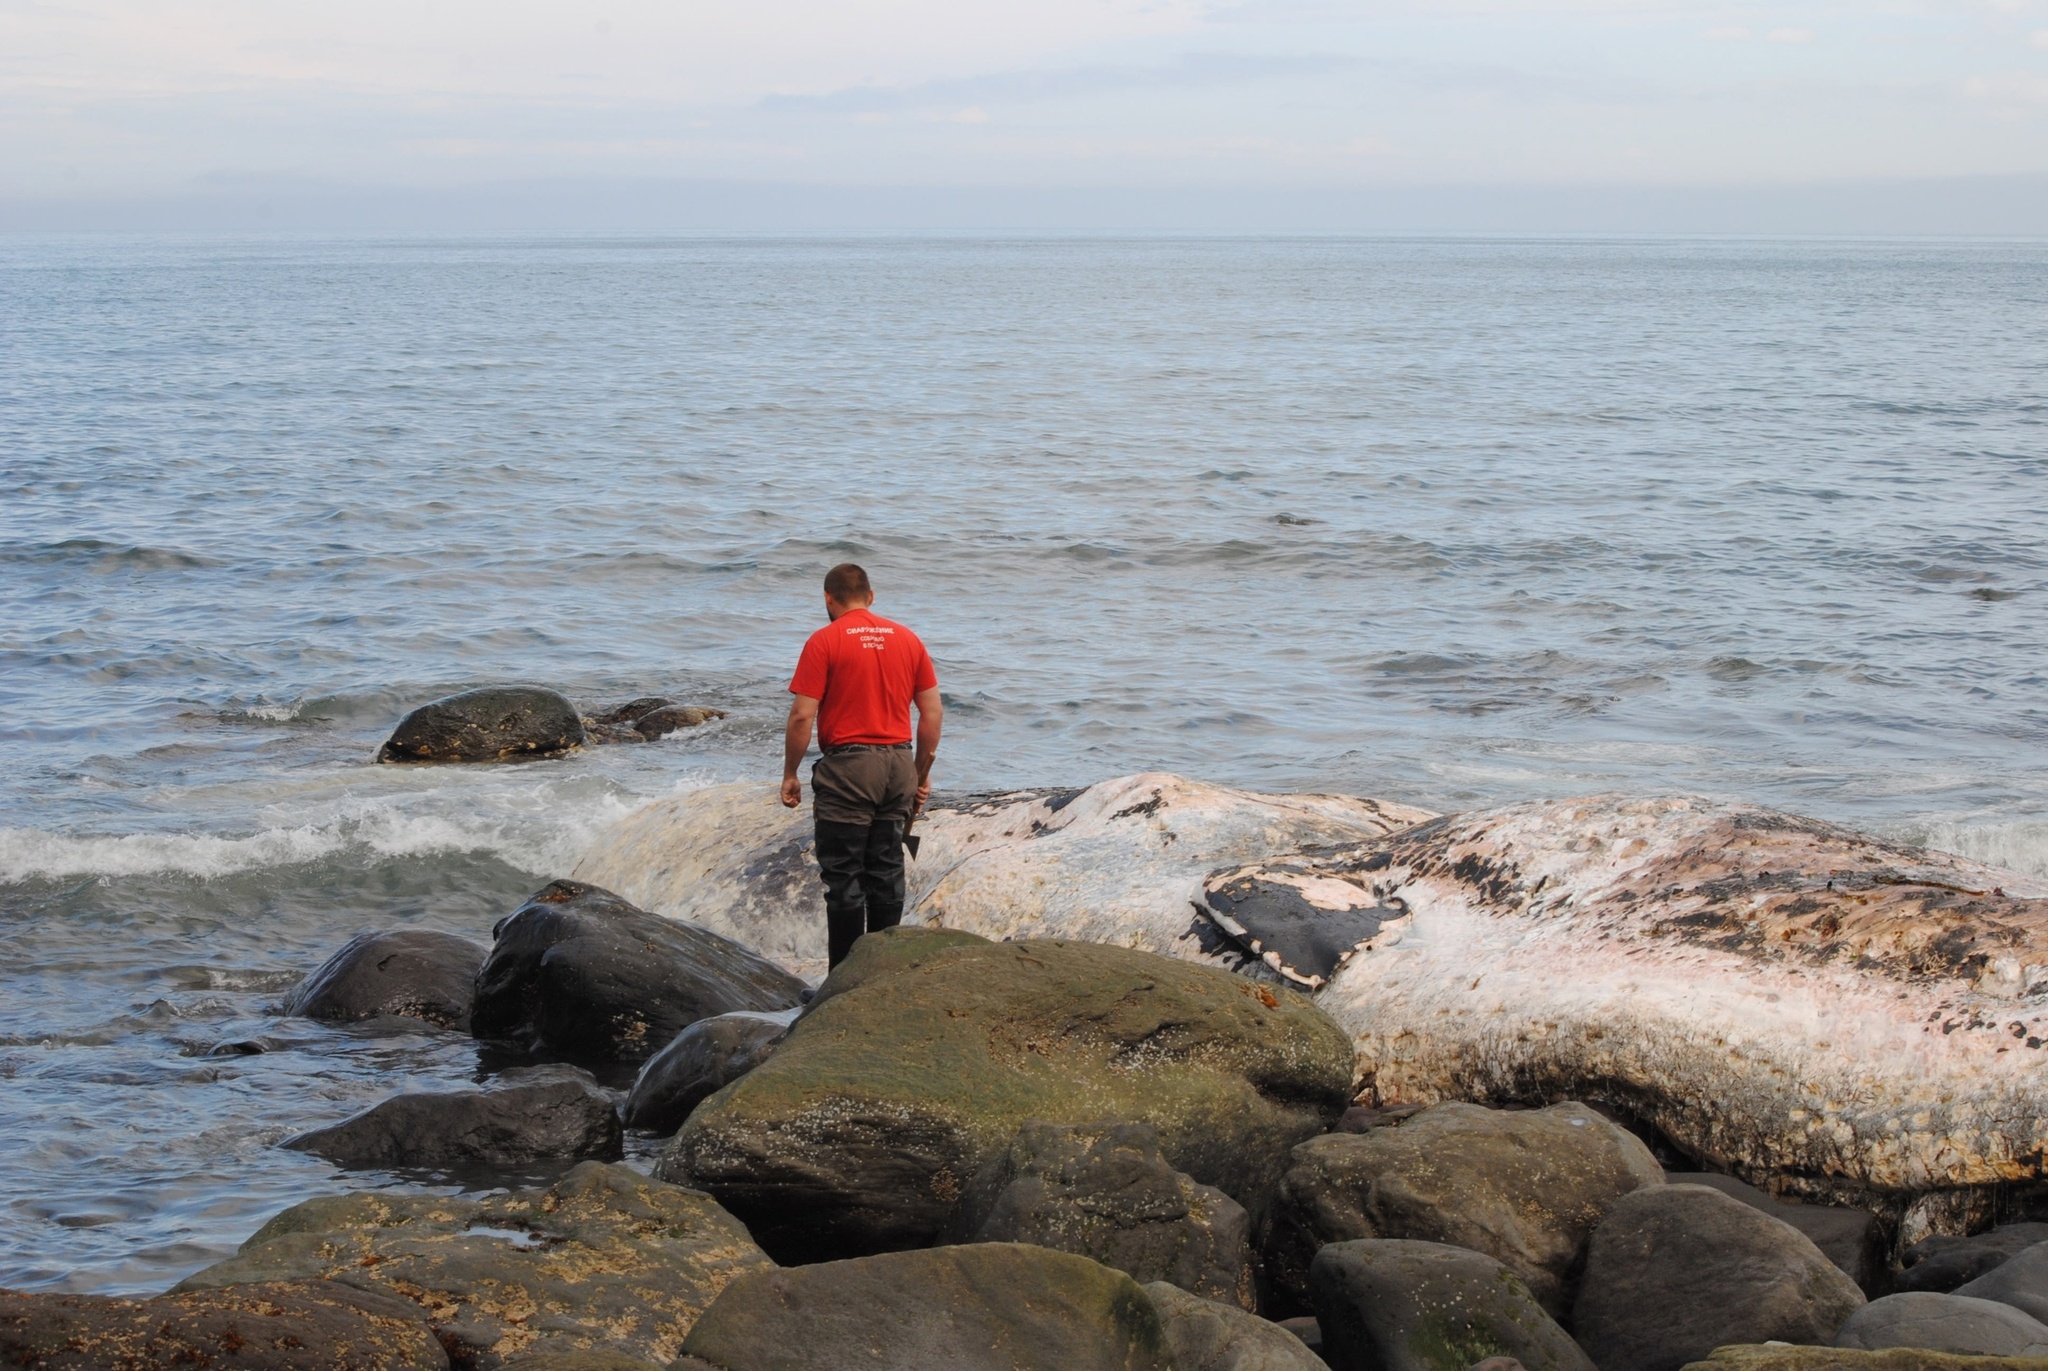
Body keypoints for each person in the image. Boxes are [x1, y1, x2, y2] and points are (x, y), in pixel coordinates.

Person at [781, 563, 944, 968]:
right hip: (898, 764)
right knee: (887, 871)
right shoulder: (908, 639)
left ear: (828, 599)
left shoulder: (825, 641)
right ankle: (881, 973)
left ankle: (843, 980)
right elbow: (932, 713)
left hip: (850, 770)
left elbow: (802, 716)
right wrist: (920, 775)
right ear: (871, 597)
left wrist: (790, 773)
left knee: (844, 877)